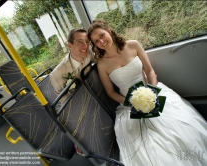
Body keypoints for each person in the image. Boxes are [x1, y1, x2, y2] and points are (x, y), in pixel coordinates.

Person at [87, 20, 207, 166]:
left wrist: (152, 93)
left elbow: (149, 71)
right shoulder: (102, 64)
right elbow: (111, 92)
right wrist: (131, 103)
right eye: (96, 41)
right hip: (128, 104)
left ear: (109, 30)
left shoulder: (133, 45)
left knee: (181, 129)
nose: (101, 41)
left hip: (152, 91)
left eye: (102, 35)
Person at [50, 28, 94, 156]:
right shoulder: (57, 74)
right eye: (80, 42)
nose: (85, 46)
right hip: (79, 106)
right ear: (69, 45)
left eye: (87, 41)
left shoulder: (90, 52)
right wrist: (77, 135)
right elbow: (65, 106)